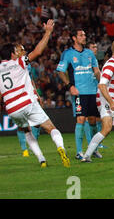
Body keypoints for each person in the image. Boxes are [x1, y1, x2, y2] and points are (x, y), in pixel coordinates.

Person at [0, 20, 70, 168]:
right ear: (13, 54)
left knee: (26, 131)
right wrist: (48, 32)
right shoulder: (18, 62)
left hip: (12, 108)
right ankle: (61, 149)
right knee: (51, 128)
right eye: (17, 50)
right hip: (26, 102)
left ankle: (41, 159)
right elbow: (38, 52)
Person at [57, 29, 101, 160]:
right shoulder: (68, 54)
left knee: (93, 120)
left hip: (92, 91)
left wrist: (102, 82)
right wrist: (70, 86)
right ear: (74, 38)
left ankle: (94, 149)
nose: (84, 37)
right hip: (79, 92)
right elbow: (60, 72)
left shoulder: (90, 53)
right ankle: (79, 151)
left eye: (85, 35)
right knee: (81, 119)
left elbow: (96, 70)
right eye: (81, 35)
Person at [14, 44, 42, 157]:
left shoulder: (27, 63)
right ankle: (24, 149)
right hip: (19, 95)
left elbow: (30, 79)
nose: (24, 51)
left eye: (24, 49)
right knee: (23, 124)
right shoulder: (12, 65)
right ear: (16, 52)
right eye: (22, 50)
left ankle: (32, 145)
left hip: (31, 94)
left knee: (38, 122)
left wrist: (36, 93)